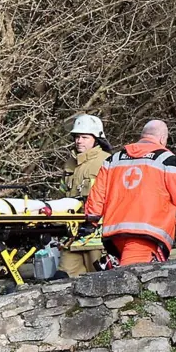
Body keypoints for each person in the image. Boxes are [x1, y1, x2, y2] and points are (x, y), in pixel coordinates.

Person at [84, 120, 176, 266]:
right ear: (162, 138)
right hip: (146, 233)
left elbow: (97, 194)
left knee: (124, 276)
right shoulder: (166, 160)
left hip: (115, 233)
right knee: (133, 280)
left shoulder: (113, 159)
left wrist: (91, 221)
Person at [57, 114, 110, 277]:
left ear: (97, 138)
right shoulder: (70, 164)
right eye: (77, 137)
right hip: (72, 238)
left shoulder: (107, 161)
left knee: (102, 282)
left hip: (98, 240)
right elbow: (62, 196)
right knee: (61, 280)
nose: (79, 141)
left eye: (84, 137)